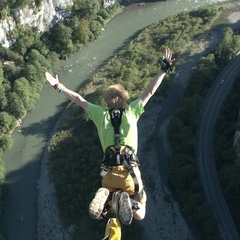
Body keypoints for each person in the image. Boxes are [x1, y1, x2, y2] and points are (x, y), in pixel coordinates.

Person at [45, 48, 175, 226]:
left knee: (101, 214)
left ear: (107, 101)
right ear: (125, 99)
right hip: (131, 176)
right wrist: (163, 70)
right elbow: (149, 92)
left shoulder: (100, 114)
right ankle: (129, 202)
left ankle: (104, 196)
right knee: (141, 212)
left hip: (108, 175)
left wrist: (58, 86)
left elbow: (78, 99)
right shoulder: (131, 111)